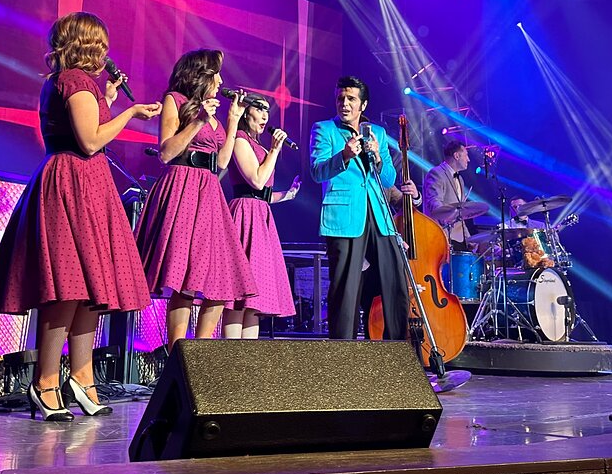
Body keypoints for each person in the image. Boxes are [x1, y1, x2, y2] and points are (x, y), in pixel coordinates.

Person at [0, 13, 162, 422]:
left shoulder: (74, 83)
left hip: (86, 184)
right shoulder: (74, 80)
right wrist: (130, 113)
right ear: (89, 45)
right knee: (67, 289)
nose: (106, 52)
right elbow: (91, 141)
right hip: (73, 182)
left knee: (90, 288)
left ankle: (82, 376)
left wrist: (107, 99)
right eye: (102, 44)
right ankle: (45, 381)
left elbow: (86, 126)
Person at [135, 49, 256, 345]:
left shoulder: (214, 114)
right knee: (184, 279)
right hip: (183, 186)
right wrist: (199, 120)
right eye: (216, 74)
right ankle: (178, 352)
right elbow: (166, 152)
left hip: (209, 191)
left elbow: (223, 161)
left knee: (221, 278)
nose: (221, 81)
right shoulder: (174, 100)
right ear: (200, 75)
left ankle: (201, 353)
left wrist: (232, 120)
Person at [309, 76, 417, 340]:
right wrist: (344, 155)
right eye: (340, 98)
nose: (344, 104)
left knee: (395, 281)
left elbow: (389, 179)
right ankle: (343, 350)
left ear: (363, 105)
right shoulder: (324, 129)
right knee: (345, 287)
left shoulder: (377, 133)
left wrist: (378, 157)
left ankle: (396, 347)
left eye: (351, 99)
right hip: (344, 214)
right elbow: (317, 172)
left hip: (379, 214)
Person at [222, 96, 300, 339]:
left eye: (267, 110)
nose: (266, 115)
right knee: (238, 295)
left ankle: (247, 359)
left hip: (261, 217)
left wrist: (287, 195)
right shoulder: (240, 140)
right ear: (247, 112)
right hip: (244, 216)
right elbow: (255, 180)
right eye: (260, 109)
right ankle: (229, 357)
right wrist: (275, 150)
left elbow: (262, 194)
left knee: (254, 301)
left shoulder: (261, 147)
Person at [422, 141, 487, 253]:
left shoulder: (460, 179)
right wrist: (446, 222)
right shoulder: (436, 173)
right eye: (466, 155)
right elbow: (434, 202)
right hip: (441, 236)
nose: (468, 159)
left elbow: (460, 215)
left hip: (459, 239)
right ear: (456, 156)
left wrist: (468, 238)